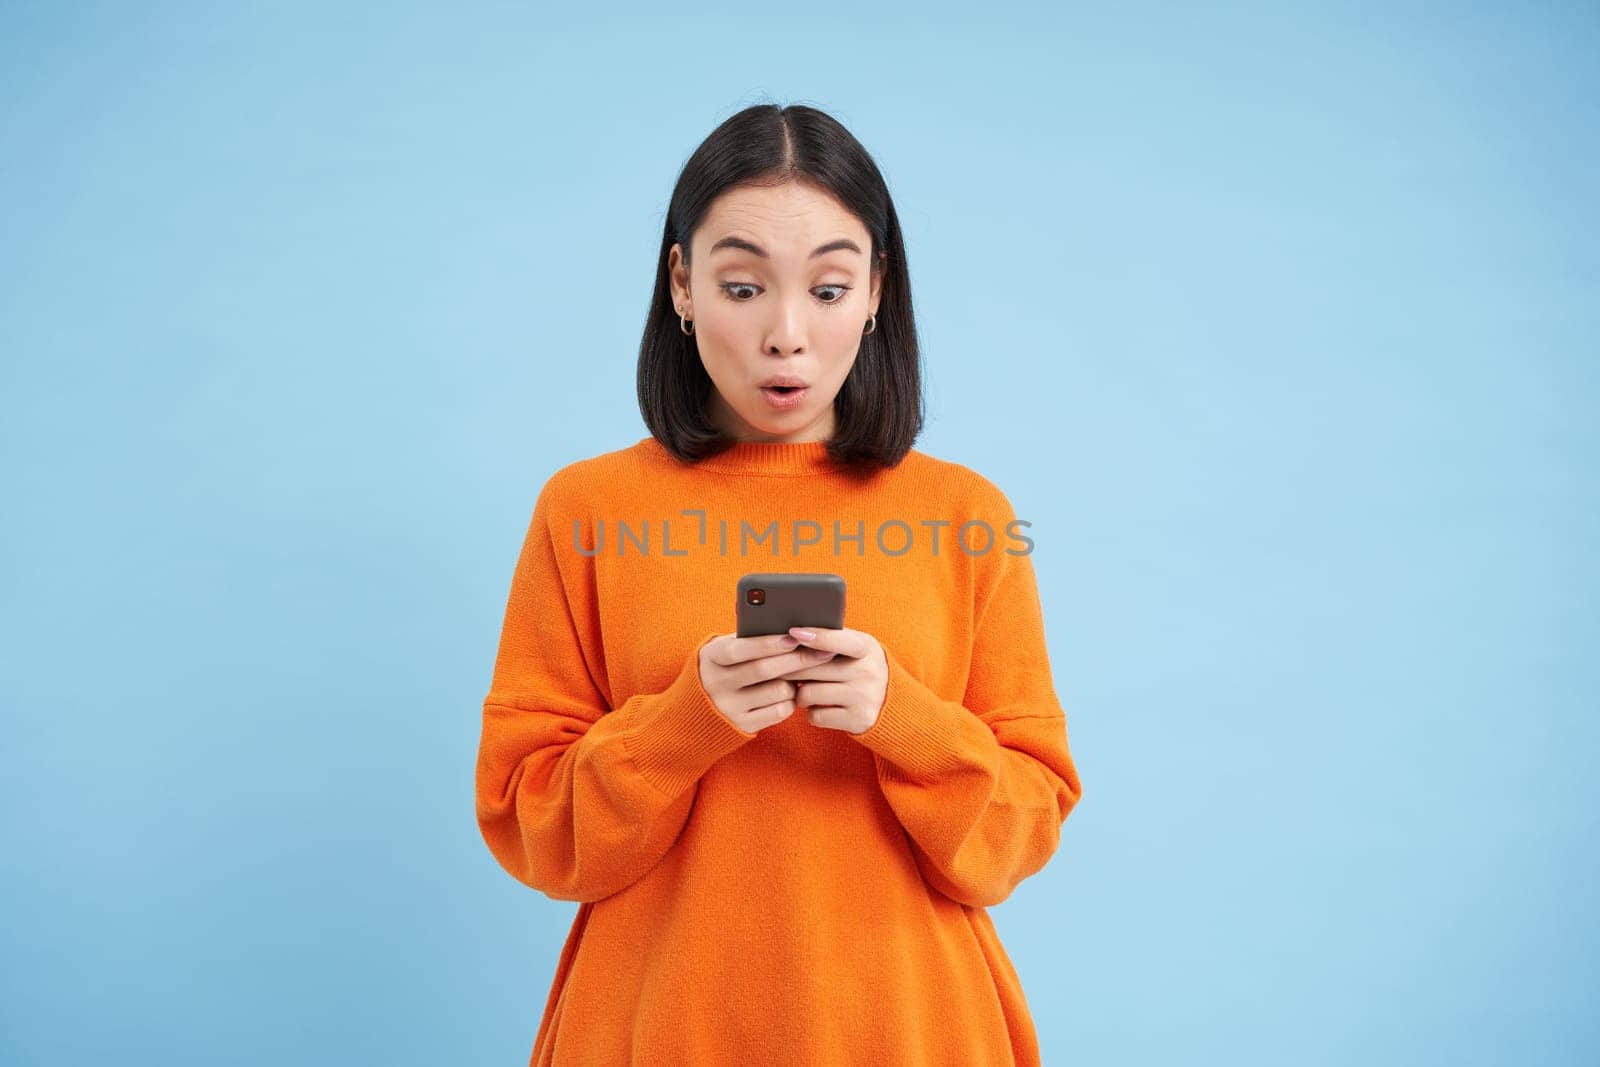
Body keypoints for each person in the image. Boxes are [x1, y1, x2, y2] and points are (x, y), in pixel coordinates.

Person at [474, 102, 1084, 1066]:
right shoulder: (586, 509)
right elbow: (532, 826)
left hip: (913, 1024)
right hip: (655, 1024)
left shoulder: (967, 514)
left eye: (831, 288)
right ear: (681, 284)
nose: (787, 335)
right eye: (744, 285)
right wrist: (685, 720)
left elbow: (1020, 833)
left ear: (878, 290)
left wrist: (900, 715)